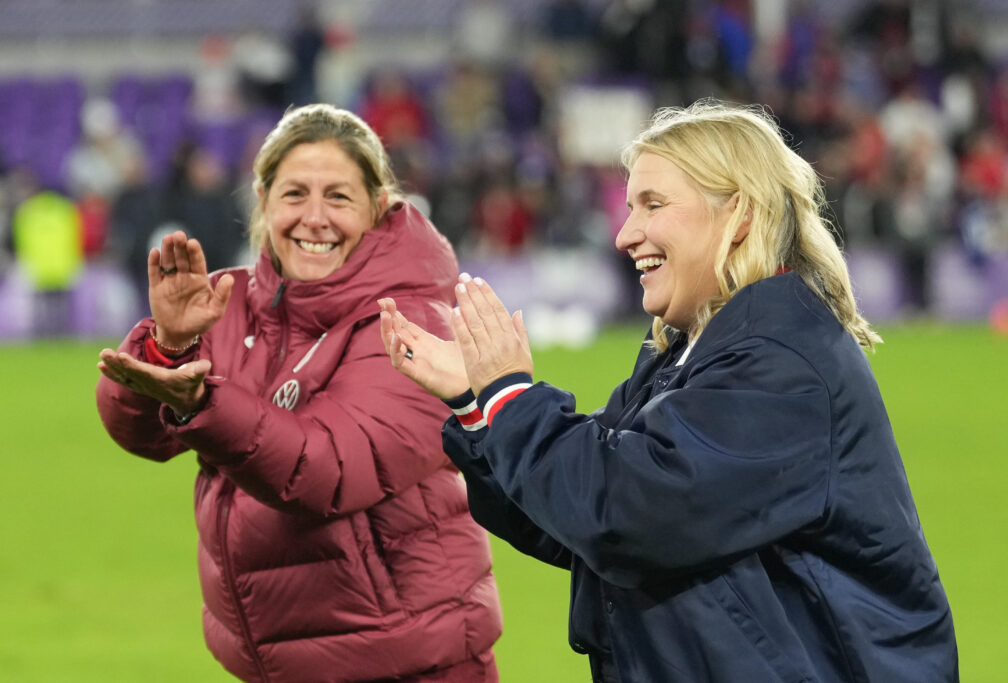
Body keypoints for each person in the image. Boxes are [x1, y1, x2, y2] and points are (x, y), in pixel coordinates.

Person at [379, 100, 958, 682]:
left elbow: (625, 514)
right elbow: (570, 519)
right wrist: (478, 407)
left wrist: (509, 397)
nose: (626, 234)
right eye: (630, 207)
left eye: (653, 205)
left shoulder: (780, 364)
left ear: (741, 213)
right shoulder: (692, 350)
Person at [95, 104, 502, 682]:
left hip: (408, 661)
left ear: (378, 208)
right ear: (261, 201)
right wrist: (168, 346)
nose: (314, 218)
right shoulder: (228, 302)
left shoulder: (411, 320)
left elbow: (329, 470)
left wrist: (201, 402)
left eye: (338, 197)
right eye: (293, 195)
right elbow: (139, 433)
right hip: (283, 661)